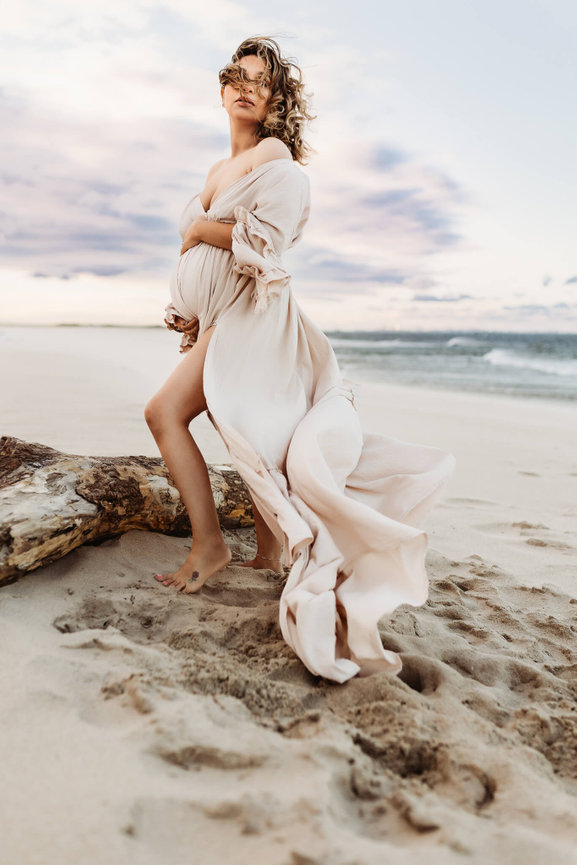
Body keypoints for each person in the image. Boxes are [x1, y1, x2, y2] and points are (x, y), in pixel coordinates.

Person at [144, 36, 456, 684]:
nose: (245, 86)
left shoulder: (273, 155)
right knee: (258, 432)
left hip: (251, 319)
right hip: (225, 319)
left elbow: (267, 244)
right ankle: (262, 551)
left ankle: (208, 547)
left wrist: (200, 232)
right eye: (237, 75)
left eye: (261, 81)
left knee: (164, 412)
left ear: (276, 102)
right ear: (221, 85)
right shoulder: (216, 169)